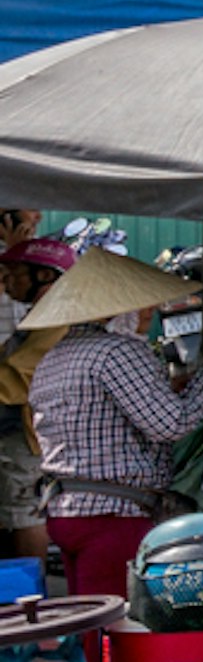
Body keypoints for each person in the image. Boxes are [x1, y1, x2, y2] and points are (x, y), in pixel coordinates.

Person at [27, 249, 203, 598]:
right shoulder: (117, 352)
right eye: (142, 305)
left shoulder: (56, 355)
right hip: (113, 515)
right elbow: (171, 423)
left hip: (68, 510)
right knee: (118, 624)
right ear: (117, 310)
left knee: (89, 622)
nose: (148, 313)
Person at [0, 236, 76, 566]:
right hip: (20, 433)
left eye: (14, 273)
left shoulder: (55, 321)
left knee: (24, 514)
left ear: (44, 276)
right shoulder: (43, 316)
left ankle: (27, 597)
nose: (7, 282)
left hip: (28, 438)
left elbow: (19, 377)